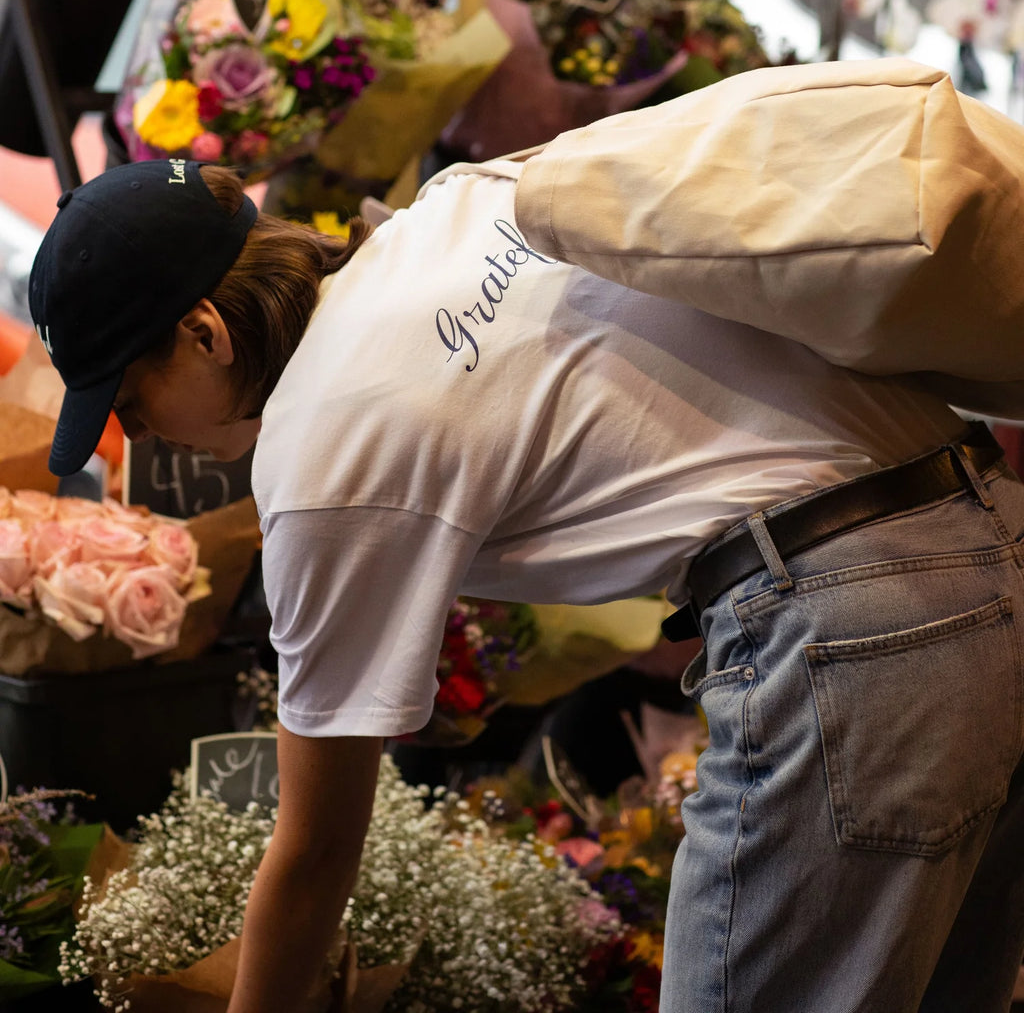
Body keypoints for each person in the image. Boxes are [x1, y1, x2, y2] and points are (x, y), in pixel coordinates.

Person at [29, 156, 1024, 1013]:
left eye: (133, 398)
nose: (143, 434)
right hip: (989, 537)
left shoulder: (325, 446)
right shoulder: (445, 218)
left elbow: (316, 849)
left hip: (860, 632)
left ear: (204, 334)